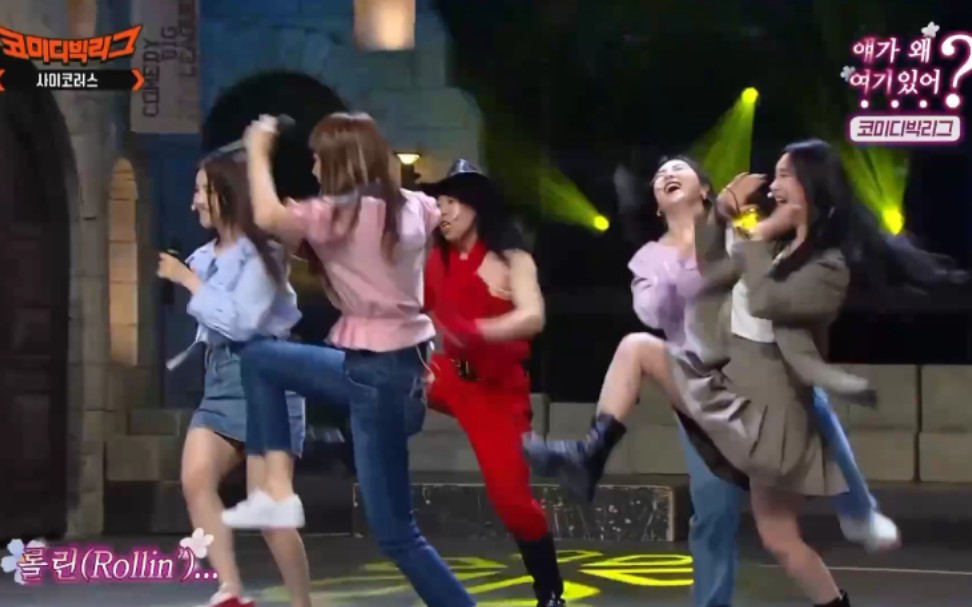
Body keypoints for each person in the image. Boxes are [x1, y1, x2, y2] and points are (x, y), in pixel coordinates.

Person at [524, 152, 907, 607]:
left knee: (785, 506)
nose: (667, 174)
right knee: (718, 515)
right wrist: (681, 260)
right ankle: (593, 458)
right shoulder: (650, 259)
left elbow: (769, 290)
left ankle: (858, 511)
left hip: (756, 384)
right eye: (660, 174)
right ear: (656, 202)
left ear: (704, 189)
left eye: (679, 169)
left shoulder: (737, 235)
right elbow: (652, 315)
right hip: (699, 389)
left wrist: (734, 227)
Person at [220, 113, 475, 607]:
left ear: (339, 161)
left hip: (375, 379)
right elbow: (450, 214)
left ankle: (276, 491)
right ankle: (275, 491)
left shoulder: (338, 214)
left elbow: (269, 216)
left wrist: (257, 149)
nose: (314, 168)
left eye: (319, 159)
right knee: (262, 360)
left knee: (398, 534)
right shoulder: (413, 207)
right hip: (397, 372)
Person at [159, 152, 313, 607]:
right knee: (195, 479)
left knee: (270, 514)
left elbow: (242, 322)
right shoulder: (204, 257)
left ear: (226, 195)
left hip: (267, 375)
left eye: (201, 191)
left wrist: (189, 282)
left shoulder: (265, 255)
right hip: (222, 378)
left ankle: (302, 603)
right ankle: (230, 590)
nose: (194, 202)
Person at [421, 160, 565, 607]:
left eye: (452, 202)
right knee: (381, 374)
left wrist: (479, 330)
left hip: (497, 392)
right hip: (451, 376)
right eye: (439, 203)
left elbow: (533, 316)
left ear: (477, 205)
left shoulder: (512, 260)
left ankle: (550, 591)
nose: (443, 212)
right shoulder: (434, 259)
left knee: (512, 502)